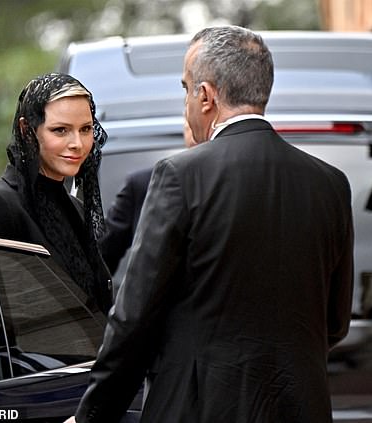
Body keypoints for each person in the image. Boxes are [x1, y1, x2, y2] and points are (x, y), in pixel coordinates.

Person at [70, 25, 354, 423]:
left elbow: (133, 318)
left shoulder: (180, 175)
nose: (186, 100)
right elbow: (336, 322)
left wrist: (92, 415)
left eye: (186, 88)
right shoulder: (331, 184)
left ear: (206, 96)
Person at [0, 73, 113, 314]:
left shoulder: (75, 209)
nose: (78, 143)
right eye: (61, 130)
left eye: (85, 129)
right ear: (27, 130)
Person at [100, 119, 198, 275]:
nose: (194, 128)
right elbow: (102, 257)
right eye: (189, 120)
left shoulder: (232, 183)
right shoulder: (142, 185)